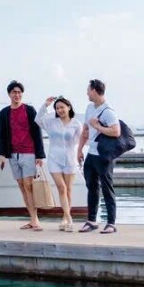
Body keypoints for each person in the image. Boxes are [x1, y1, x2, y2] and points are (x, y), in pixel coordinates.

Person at [0, 80, 46, 230]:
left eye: (19, 92)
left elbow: (37, 132)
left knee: (28, 185)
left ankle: (35, 219)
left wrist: (39, 155)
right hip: (13, 154)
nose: (17, 95)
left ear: (22, 94)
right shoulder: (4, 113)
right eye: (14, 92)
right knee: (22, 186)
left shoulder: (29, 110)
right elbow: (1, 135)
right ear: (9, 94)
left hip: (29, 153)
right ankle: (32, 218)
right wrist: (1, 154)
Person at [78, 79, 120, 234]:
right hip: (91, 154)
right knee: (92, 187)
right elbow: (85, 130)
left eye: (88, 90)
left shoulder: (108, 111)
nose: (87, 93)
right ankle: (91, 221)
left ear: (94, 91)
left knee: (107, 188)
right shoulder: (90, 108)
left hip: (104, 156)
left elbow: (116, 131)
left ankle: (111, 223)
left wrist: (97, 126)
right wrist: (80, 149)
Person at [37, 96, 84, 231]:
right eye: (57, 108)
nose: (60, 110)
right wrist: (45, 105)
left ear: (68, 107)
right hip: (54, 159)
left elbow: (80, 141)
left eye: (62, 107)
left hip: (70, 159)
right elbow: (38, 119)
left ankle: (65, 217)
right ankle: (69, 219)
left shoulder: (76, 124)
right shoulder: (51, 122)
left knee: (68, 190)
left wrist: (80, 153)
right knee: (61, 188)